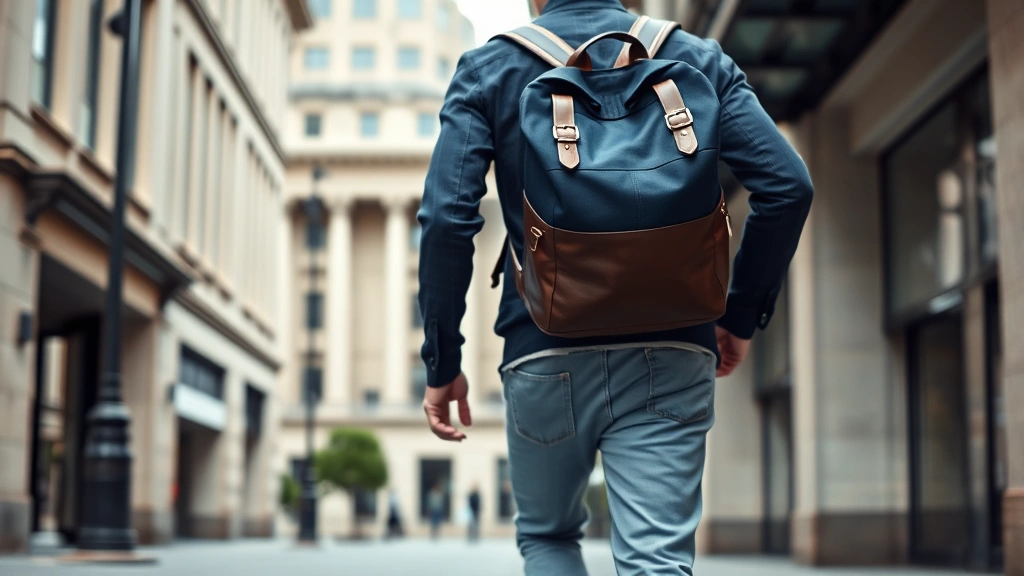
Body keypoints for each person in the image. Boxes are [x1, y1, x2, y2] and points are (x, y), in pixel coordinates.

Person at [417, 0, 813, 574]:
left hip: (542, 344)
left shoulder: (489, 69)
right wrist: (738, 315)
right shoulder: (696, 58)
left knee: (548, 539)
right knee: (656, 559)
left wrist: (442, 361)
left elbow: (447, 220)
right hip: (675, 344)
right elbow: (788, 186)